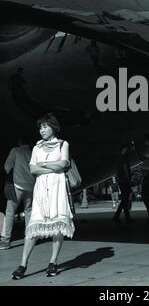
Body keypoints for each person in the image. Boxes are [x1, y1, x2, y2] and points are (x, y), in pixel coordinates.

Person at [11, 113, 75, 280]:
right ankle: (23, 264)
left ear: (54, 127)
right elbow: (33, 169)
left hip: (57, 188)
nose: (42, 130)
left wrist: (44, 164)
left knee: (58, 225)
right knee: (33, 227)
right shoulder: (37, 147)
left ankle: (53, 262)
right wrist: (54, 166)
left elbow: (64, 163)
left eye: (45, 126)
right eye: (40, 127)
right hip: (40, 189)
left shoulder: (63, 144)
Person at [0, 135, 35, 250]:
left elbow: (7, 166)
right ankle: (29, 237)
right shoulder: (32, 152)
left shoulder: (15, 150)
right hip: (30, 185)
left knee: (10, 211)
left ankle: (5, 241)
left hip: (17, 185)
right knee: (28, 211)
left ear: (19, 142)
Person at [134, 134, 149, 224]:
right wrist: (136, 150)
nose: (144, 142)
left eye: (145, 140)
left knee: (148, 196)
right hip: (146, 176)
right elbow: (142, 158)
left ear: (148, 141)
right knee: (146, 196)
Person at [113, 144, 135, 224]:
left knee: (124, 200)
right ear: (123, 150)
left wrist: (131, 151)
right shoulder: (123, 159)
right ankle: (123, 217)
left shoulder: (120, 158)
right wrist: (129, 181)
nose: (126, 151)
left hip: (121, 181)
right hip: (125, 181)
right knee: (125, 199)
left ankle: (121, 216)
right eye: (125, 150)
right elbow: (126, 170)